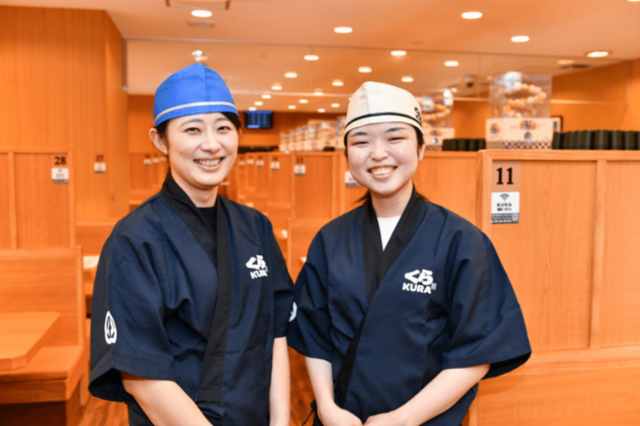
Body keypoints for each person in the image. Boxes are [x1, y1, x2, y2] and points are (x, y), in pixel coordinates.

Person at [287, 82, 531, 426]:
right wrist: (327, 408)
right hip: (343, 418)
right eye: (361, 142)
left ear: (421, 148)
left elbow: (477, 351)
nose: (378, 153)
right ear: (347, 155)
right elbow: (315, 335)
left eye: (394, 138)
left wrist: (402, 420)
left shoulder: (460, 240)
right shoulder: (330, 239)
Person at [89, 63, 294, 426]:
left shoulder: (256, 227)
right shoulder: (135, 239)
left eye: (223, 128)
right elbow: (141, 374)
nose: (212, 144)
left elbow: (276, 331)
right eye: (193, 129)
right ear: (160, 140)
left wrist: (280, 421)